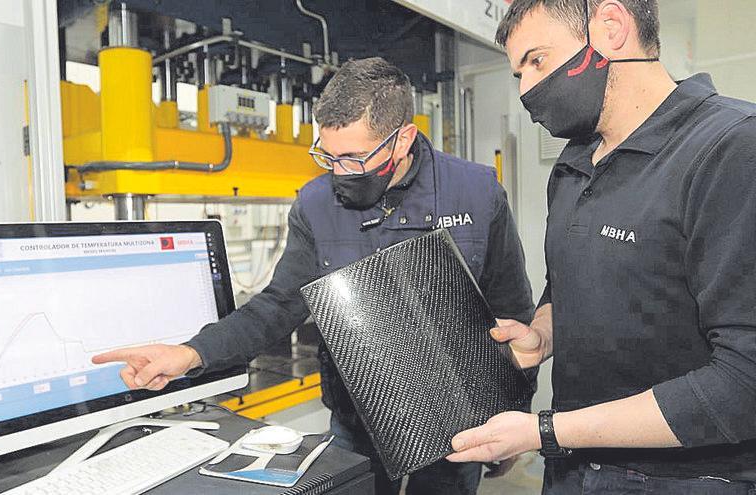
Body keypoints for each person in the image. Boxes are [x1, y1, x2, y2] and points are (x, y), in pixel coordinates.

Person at [92, 57, 535, 494]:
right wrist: (190, 353)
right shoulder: (315, 203)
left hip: (458, 419)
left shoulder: (476, 193)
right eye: (328, 156)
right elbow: (277, 306)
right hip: (355, 424)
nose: (339, 172)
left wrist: (516, 412)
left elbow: (513, 311)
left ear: (403, 140)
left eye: (354, 158)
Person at [446, 1, 756, 494]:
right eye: (518, 72)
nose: (526, 89)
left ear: (610, 28)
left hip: (691, 479)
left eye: (538, 61)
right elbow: (567, 287)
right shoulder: (572, 166)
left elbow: (745, 382)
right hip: (572, 471)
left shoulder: (731, 149)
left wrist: (545, 431)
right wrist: (543, 335)